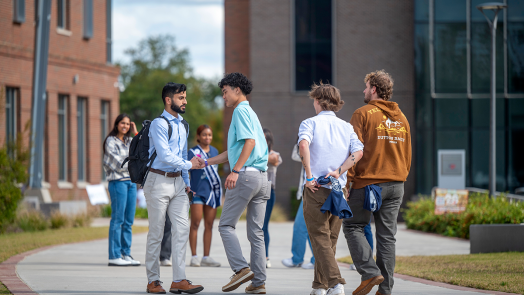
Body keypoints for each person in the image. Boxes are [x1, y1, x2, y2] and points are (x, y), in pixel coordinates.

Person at [343, 70, 411, 295]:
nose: (363, 90)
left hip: (369, 183)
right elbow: (408, 155)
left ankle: (370, 272)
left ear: (374, 89)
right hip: (397, 183)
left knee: (353, 225)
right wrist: (400, 176)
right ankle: (385, 290)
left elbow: (355, 150)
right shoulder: (402, 118)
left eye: (366, 86)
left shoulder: (362, 114)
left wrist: (347, 181)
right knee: (387, 237)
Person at [206, 72, 270, 294]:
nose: (223, 97)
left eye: (224, 92)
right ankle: (258, 282)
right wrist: (206, 162)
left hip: (246, 176)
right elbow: (233, 151)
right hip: (262, 178)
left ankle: (241, 269)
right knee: (257, 233)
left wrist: (235, 171)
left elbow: (249, 143)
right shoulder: (251, 112)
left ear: (236, 89)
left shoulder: (240, 111)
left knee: (225, 225)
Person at [298, 82, 364, 295]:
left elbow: (303, 145)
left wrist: (308, 176)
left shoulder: (309, 123)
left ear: (317, 101)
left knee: (319, 238)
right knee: (329, 241)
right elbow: (359, 152)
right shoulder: (346, 127)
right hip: (339, 190)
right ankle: (320, 286)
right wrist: (339, 170)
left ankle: (336, 283)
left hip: (316, 188)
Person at [142, 82, 204, 294]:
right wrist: (190, 165)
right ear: (168, 100)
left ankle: (179, 280)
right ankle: (153, 281)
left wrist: (187, 182)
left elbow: (183, 154)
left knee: (181, 230)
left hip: (178, 183)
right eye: (181, 97)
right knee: (157, 232)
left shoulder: (183, 124)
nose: (185, 101)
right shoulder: (158, 124)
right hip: (157, 181)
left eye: (185, 97)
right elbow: (164, 155)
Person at [103, 113, 140, 267]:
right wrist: (134, 167)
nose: (125, 126)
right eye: (122, 123)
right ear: (117, 124)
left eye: (127, 124)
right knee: (118, 219)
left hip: (131, 183)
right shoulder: (110, 141)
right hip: (118, 182)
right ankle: (114, 255)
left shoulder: (130, 141)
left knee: (128, 221)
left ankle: (126, 254)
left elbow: (141, 153)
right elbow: (117, 163)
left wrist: (136, 132)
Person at [187, 124, 222, 267]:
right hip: (197, 192)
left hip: (211, 193)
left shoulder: (215, 151)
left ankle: (206, 257)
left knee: (209, 225)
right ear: (198, 136)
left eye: (210, 135)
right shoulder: (192, 152)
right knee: (195, 223)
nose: (207, 137)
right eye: (204, 135)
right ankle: (194, 256)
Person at [281, 143, 315, 270]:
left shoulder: (315, 149)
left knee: (301, 226)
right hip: (310, 190)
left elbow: (299, 152)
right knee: (310, 228)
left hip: (312, 190)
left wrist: (303, 140)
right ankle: (311, 259)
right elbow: (296, 155)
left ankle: (298, 259)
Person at [261, 128, 282, 268]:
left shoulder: (275, 154)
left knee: (264, 226)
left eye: (264, 138)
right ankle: (257, 256)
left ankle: (265, 257)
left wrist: (253, 154)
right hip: (256, 191)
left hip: (269, 192)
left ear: (268, 140)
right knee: (255, 227)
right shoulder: (252, 153)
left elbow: (274, 160)